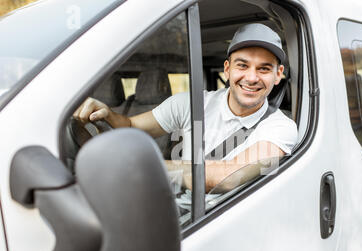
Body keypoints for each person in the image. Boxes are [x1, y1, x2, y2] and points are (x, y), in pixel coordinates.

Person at [74, 23, 298, 193]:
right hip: (182, 209)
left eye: (264, 69)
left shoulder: (281, 127)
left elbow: (228, 178)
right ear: (227, 69)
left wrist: (140, 165)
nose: (251, 77)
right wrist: (106, 114)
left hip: (227, 217)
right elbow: (131, 125)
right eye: (243, 65)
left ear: (278, 75)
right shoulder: (189, 104)